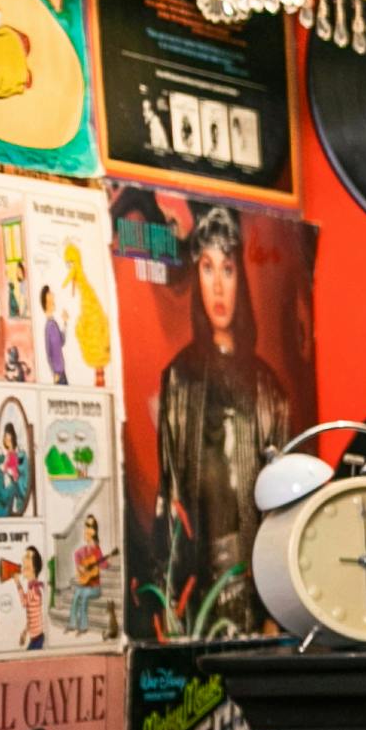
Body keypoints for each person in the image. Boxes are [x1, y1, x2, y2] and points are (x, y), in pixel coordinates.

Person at [147, 202, 294, 637]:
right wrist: (168, 598)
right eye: (207, 268)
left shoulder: (269, 390)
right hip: (196, 587)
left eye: (227, 270)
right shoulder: (179, 379)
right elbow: (167, 494)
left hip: (253, 586)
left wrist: (276, 609)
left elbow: (283, 512)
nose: (217, 286)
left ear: (240, 279)